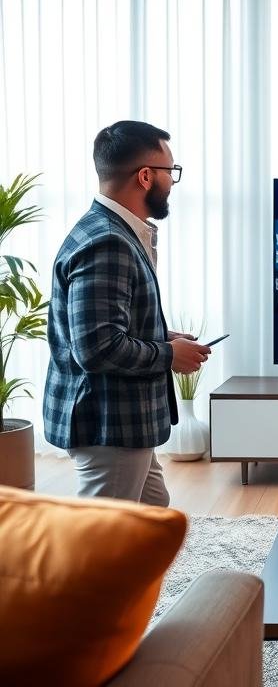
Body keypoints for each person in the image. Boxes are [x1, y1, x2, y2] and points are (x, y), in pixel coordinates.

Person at [43, 120, 210, 504]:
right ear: (146, 176)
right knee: (107, 539)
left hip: (122, 420)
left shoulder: (111, 231)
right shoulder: (108, 242)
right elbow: (97, 347)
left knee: (153, 511)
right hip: (109, 422)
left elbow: (104, 324)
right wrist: (169, 355)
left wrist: (164, 336)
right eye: (172, 172)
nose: (173, 182)